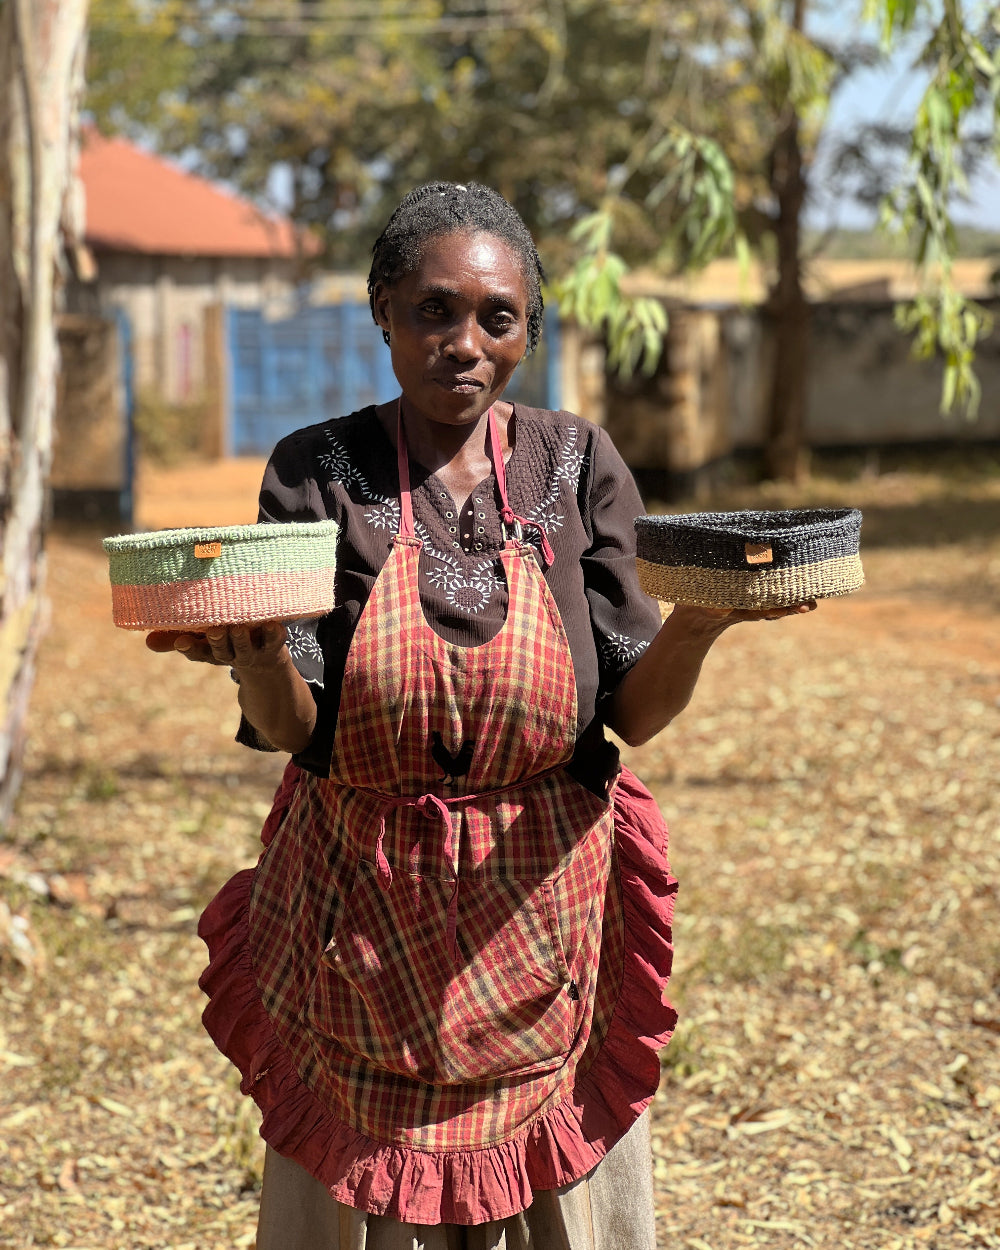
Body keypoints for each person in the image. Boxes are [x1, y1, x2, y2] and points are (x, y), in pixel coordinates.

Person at [148, 181, 816, 1249]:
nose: (464, 342)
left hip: (544, 911)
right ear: (381, 310)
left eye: (496, 317)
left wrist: (700, 623)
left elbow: (632, 714)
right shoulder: (315, 474)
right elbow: (292, 727)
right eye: (433, 310)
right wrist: (256, 652)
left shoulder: (577, 463)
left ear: (527, 329)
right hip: (358, 913)